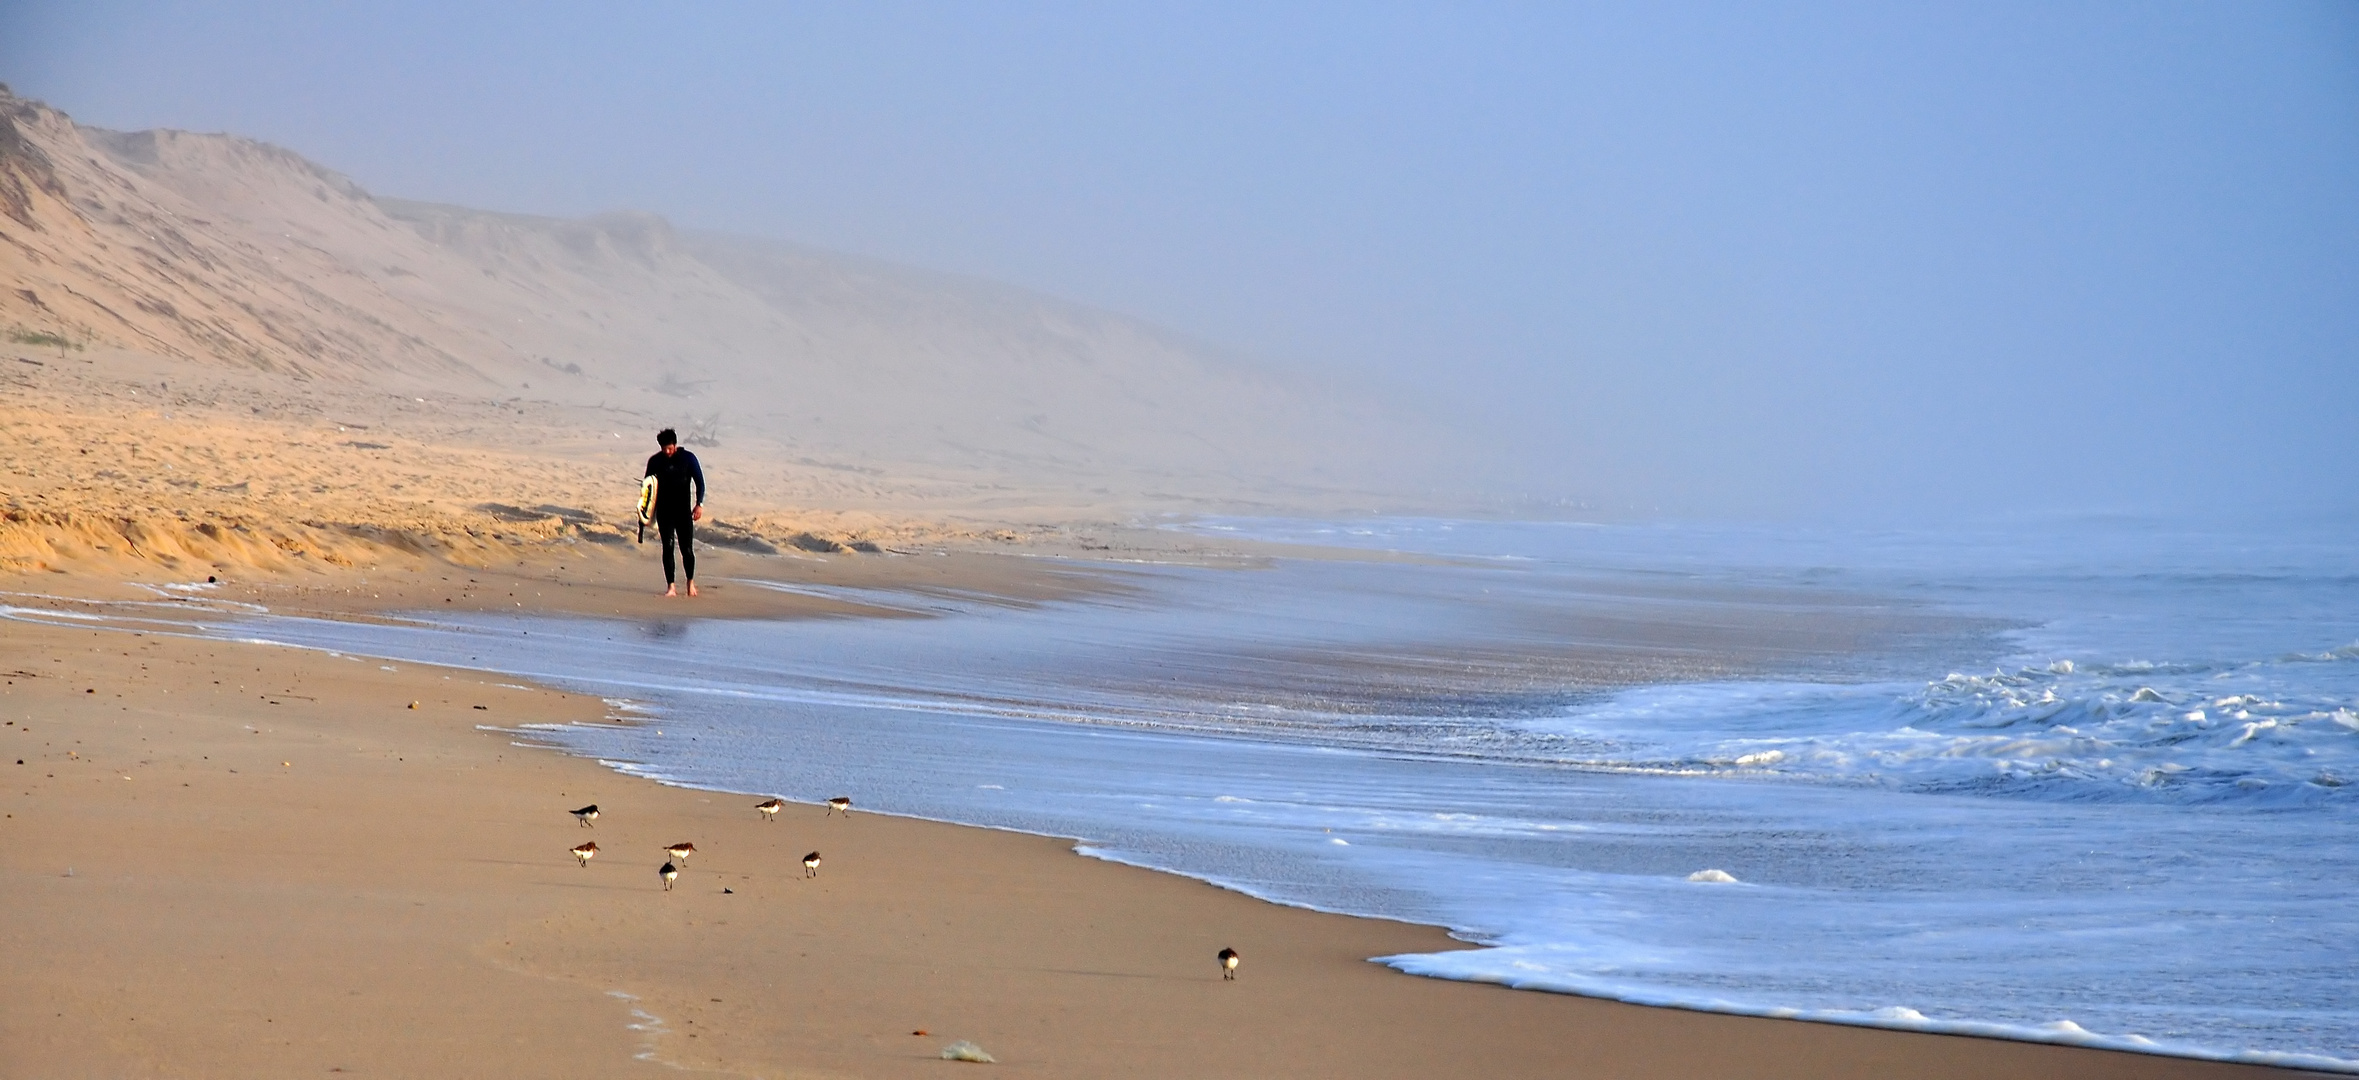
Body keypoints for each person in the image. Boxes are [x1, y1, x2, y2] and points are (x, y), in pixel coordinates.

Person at [643, 428, 705, 597]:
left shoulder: (688, 459)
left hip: (683, 511)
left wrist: (699, 504)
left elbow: (700, 482)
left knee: (687, 549)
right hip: (664, 511)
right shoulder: (655, 461)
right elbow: (647, 489)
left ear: (675, 445)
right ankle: (671, 586)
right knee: (667, 547)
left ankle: (690, 583)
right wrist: (644, 512)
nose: (667, 452)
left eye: (669, 448)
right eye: (664, 449)